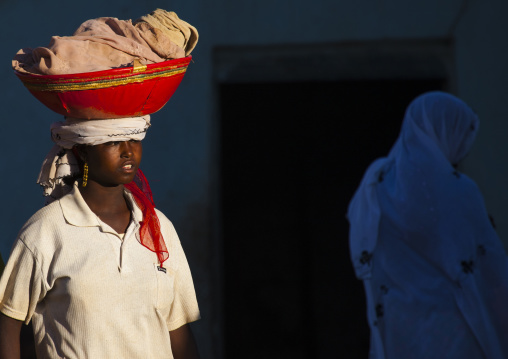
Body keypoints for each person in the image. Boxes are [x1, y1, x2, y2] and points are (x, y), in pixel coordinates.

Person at [0, 10, 201, 359]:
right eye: (113, 142)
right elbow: (8, 324)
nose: (128, 152)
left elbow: (179, 333)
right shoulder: (45, 233)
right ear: (82, 150)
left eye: (134, 140)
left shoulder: (159, 229)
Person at [347, 91, 508, 359]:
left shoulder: (375, 186)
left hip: (401, 330)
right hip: (454, 333)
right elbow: (487, 269)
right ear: (444, 132)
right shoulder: (458, 190)